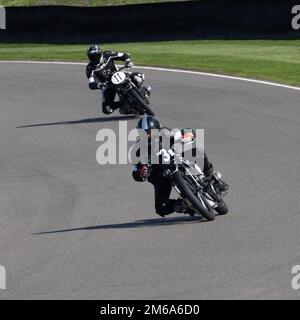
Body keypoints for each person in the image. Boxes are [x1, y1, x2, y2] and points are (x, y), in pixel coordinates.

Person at [132, 116, 228, 217]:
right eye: (144, 133)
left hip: (177, 160)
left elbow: (184, 133)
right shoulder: (138, 150)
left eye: (150, 132)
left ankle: (211, 176)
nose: (148, 136)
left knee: (197, 148)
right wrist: (141, 172)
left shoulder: (165, 132)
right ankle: (183, 205)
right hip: (161, 177)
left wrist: (187, 134)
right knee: (160, 207)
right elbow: (136, 171)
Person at [86, 44, 151, 115]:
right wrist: (99, 85)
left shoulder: (107, 55)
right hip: (108, 85)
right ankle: (124, 105)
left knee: (139, 77)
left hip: (119, 75)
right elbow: (91, 83)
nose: (94, 58)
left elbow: (124, 55)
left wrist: (128, 61)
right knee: (107, 109)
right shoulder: (90, 68)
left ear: (100, 53)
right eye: (92, 57)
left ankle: (142, 92)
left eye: (96, 56)